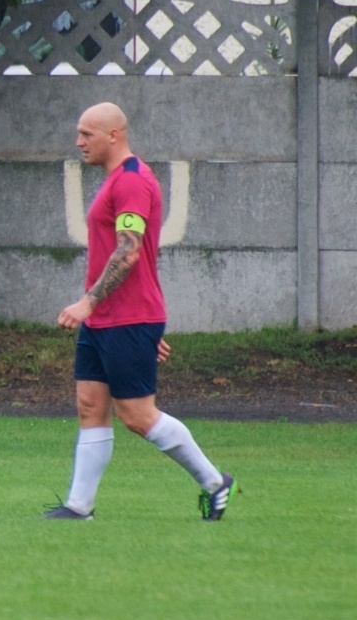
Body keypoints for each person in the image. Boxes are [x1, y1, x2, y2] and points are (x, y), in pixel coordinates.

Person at [46, 102, 235, 520]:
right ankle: (79, 507)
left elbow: (129, 252)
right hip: (109, 320)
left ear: (114, 135)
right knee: (90, 406)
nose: (78, 142)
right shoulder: (115, 180)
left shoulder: (132, 182)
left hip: (125, 318)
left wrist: (89, 302)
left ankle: (214, 482)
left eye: (86, 134)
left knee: (136, 414)